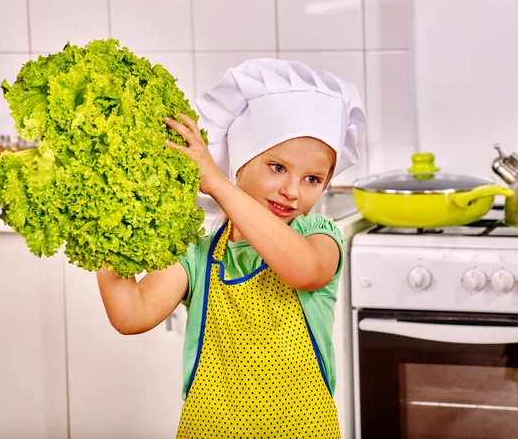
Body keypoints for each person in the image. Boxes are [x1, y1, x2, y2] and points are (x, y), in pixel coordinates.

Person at [96, 58, 366, 438]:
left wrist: (219, 186)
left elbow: (303, 271)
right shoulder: (197, 253)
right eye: (277, 167)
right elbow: (131, 315)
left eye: (312, 178)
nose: (292, 190)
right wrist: (102, 222)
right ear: (240, 162)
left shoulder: (320, 237)